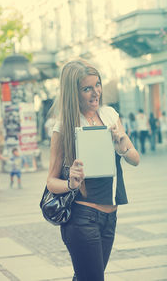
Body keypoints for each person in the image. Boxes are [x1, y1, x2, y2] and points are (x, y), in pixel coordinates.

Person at [46, 59, 139, 281]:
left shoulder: (110, 116)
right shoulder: (64, 127)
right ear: (73, 93)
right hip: (82, 217)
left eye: (97, 85)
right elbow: (51, 182)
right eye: (87, 88)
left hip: (111, 216)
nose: (95, 92)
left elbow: (135, 159)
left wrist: (122, 143)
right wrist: (71, 183)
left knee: (87, 277)